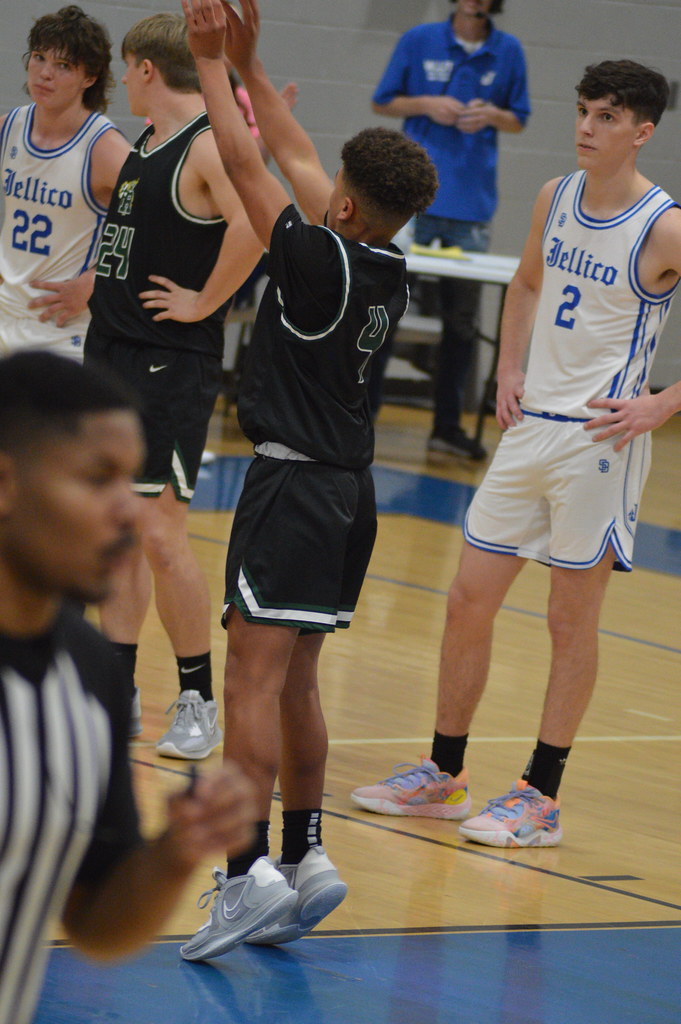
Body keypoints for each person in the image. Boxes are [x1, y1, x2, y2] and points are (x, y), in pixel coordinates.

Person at [352, 59, 681, 846]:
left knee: (570, 623)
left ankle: (541, 794)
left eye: (605, 117)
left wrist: (661, 404)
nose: (584, 128)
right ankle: (443, 773)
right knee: (468, 599)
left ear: (642, 130)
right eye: (581, 111)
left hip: (600, 441)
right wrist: (507, 365)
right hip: (531, 426)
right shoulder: (553, 196)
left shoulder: (663, 225)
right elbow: (527, 282)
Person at [177, 0, 437, 959]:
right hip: (348, 499)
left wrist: (210, 63)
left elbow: (252, 167)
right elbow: (290, 157)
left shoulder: (318, 263)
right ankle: (308, 854)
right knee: (298, 687)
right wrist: (253, 65)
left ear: (342, 204)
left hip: (288, 491)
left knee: (250, 685)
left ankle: (247, 876)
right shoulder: (382, 260)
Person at [0, 350, 257, 1024]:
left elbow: (92, 921)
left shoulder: (87, 672)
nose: (130, 514)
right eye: (97, 478)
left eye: (133, 480)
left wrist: (176, 852)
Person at [84, 13, 263, 760]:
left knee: (160, 535)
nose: (123, 81)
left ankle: (196, 698)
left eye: (128, 68)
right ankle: (115, 693)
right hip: (110, 351)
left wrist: (204, 301)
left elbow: (256, 224)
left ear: (148, 69)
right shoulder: (148, 143)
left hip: (168, 360)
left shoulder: (208, 145)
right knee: (117, 534)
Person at [369, 0, 530, 459]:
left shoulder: (509, 51)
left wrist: (492, 115)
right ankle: (363, 413)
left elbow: (519, 117)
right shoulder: (418, 40)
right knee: (385, 310)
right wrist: (426, 104)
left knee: (462, 324)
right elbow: (382, 100)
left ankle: (447, 427)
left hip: (471, 205)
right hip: (412, 199)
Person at [0, 6, 131, 361]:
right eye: (40, 57)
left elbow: (157, 227)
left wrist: (95, 282)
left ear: (89, 78)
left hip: (62, 329)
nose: (45, 74)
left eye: (63, 66)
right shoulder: (9, 127)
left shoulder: (106, 149)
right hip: (6, 313)